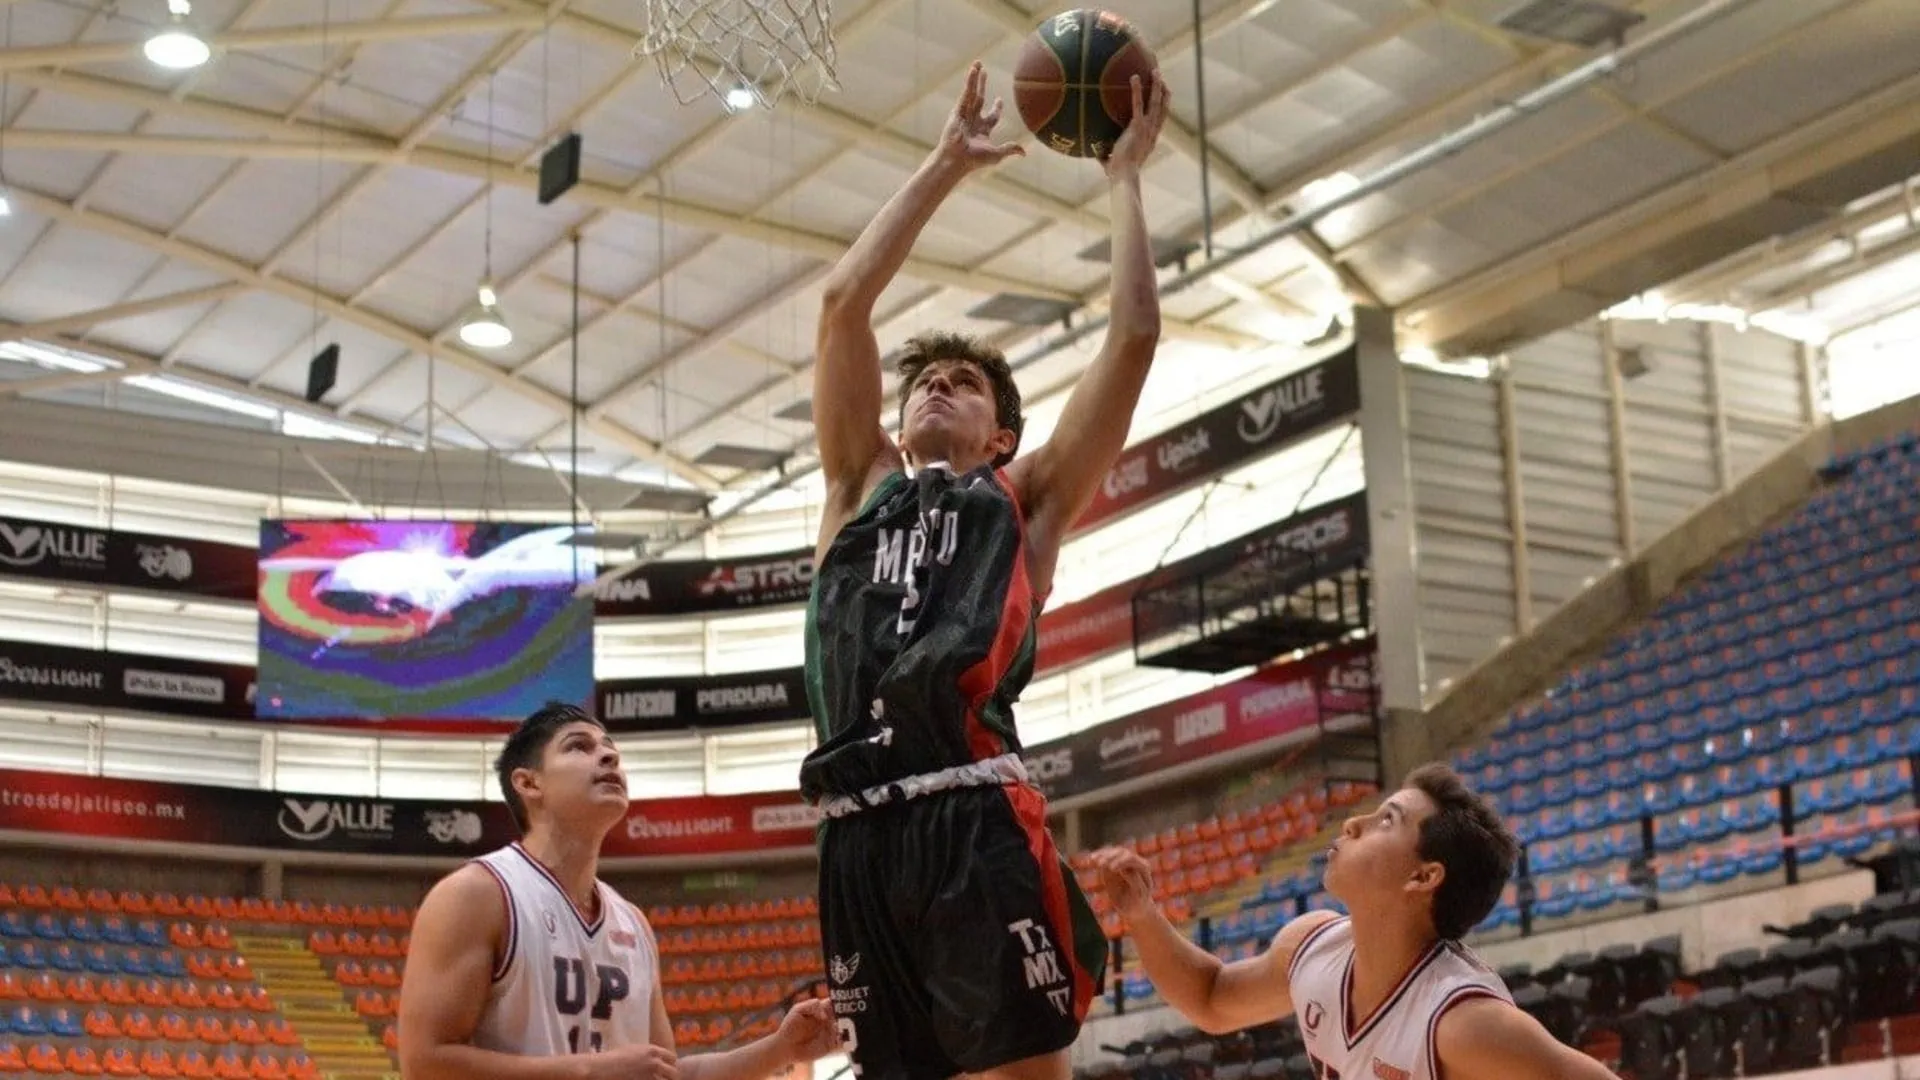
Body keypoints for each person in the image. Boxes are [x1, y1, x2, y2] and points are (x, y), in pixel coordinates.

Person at [798, 59, 1172, 1080]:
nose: (935, 388)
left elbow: (1134, 337)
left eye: (962, 384)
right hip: (853, 839)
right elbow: (842, 306)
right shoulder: (855, 487)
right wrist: (944, 165)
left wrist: (1125, 181)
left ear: (1001, 434)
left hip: (971, 815)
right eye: (923, 380)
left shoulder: (1025, 498)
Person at [1090, 764, 1622, 1080]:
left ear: (1423, 877)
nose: (1353, 823)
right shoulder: (1311, 946)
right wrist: (1142, 914)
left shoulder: (1462, 1020)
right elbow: (1211, 997)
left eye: (1387, 820)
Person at [398, 702, 841, 1080]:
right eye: (579, 746)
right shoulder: (478, 894)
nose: (609, 756)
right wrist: (589, 1071)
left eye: (610, 748)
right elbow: (425, 1062)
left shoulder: (633, 923)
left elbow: (662, 1073)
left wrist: (780, 1050)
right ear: (529, 783)